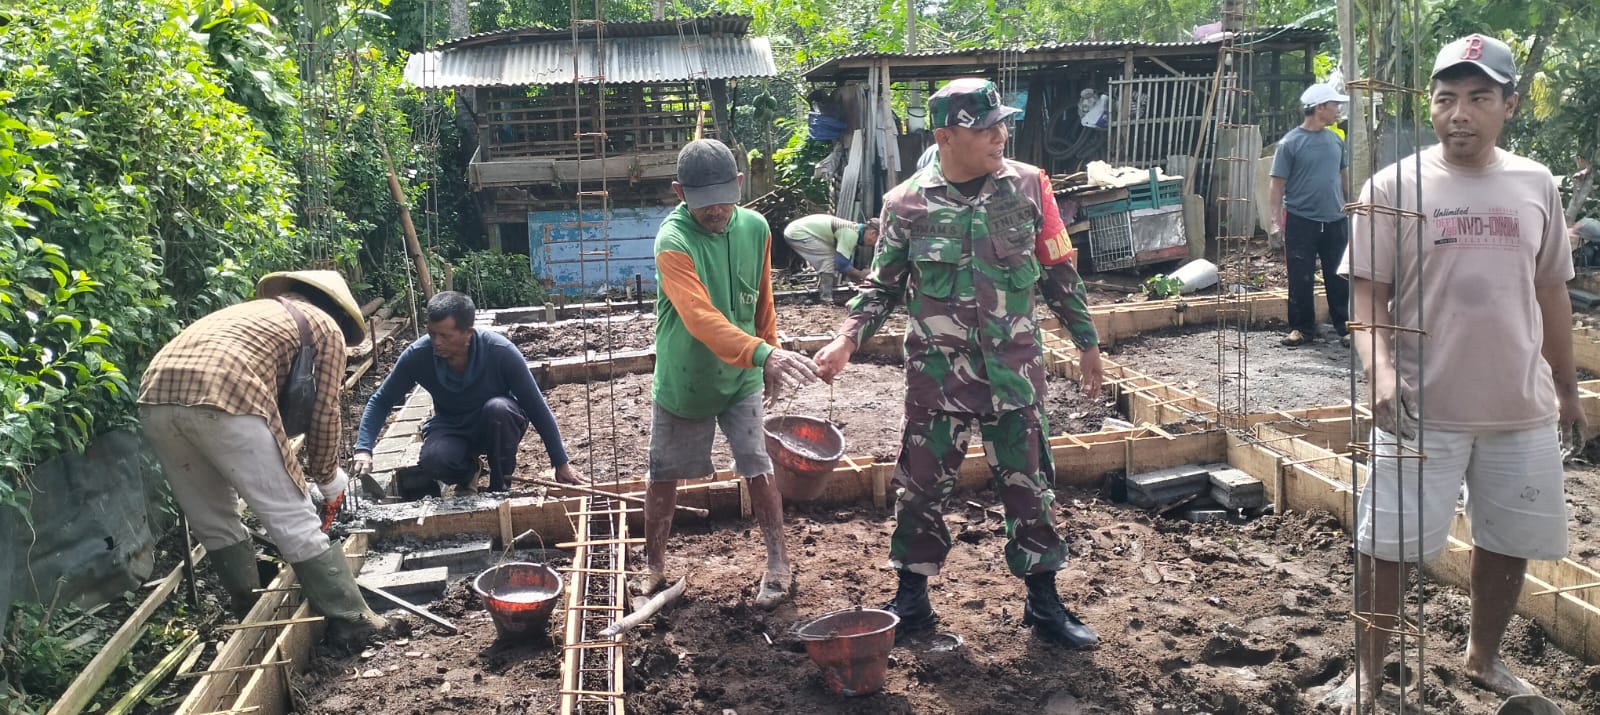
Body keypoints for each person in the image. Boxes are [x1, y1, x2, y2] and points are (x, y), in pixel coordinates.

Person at [1325, 33, 1586, 712]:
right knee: (1386, 543)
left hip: (1517, 408)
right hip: (1419, 406)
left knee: (1509, 538)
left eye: (1477, 98)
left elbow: (1552, 289)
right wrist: (1380, 374)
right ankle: (1368, 670)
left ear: (1509, 104)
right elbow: (1366, 297)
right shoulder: (1393, 186)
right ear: (1432, 105)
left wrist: (1567, 388)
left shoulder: (1536, 183)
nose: (1459, 113)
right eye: (1446, 99)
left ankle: (1484, 655)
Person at [813, 78, 1106, 649]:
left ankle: (1045, 606)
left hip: (1014, 372)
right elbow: (881, 287)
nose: (1000, 135)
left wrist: (1087, 341)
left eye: (1002, 124)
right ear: (945, 137)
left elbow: (1058, 269)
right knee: (920, 489)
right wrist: (847, 339)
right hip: (938, 377)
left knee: (1031, 487)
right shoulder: (905, 205)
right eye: (984, 127)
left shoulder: (1030, 187)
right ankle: (913, 602)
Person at [139, 271, 388, 644]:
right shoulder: (326, 327)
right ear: (336, 311)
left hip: (154, 399)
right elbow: (325, 412)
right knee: (292, 516)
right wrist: (328, 478)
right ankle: (352, 620)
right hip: (226, 395)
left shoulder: (254, 313)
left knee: (214, 521)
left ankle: (251, 611)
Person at [638, 138, 820, 608]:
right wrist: (764, 355)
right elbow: (699, 318)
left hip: (741, 378)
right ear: (679, 193)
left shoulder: (756, 228)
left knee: (759, 468)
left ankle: (778, 561)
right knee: (663, 475)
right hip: (686, 380)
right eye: (702, 203)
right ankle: (652, 565)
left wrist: (770, 355)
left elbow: (762, 302)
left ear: (740, 185)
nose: (716, 211)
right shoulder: (672, 241)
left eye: (724, 198)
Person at [351, 291, 583, 496]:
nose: (436, 342)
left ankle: (500, 488)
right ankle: (469, 471)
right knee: (433, 460)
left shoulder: (500, 352)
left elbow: (536, 406)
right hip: (451, 425)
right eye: (432, 334)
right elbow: (381, 400)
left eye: (445, 336)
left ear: (468, 333)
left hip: (496, 423)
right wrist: (364, 449)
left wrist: (560, 463)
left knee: (499, 409)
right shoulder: (418, 356)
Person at [1269, 83, 1352, 347]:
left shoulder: (1336, 140)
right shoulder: (1290, 143)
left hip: (1335, 219)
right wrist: (1274, 221)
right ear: (1320, 108)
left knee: (1339, 274)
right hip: (1301, 219)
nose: (1338, 109)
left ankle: (1345, 326)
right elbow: (1276, 184)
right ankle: (1302, 328)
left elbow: (1342, 177)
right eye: (1334, 105)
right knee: (1300, 275)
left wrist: (1348, 205)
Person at [780, 214, 881, 301]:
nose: (874, 244)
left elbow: (844, 262)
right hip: (797, 233)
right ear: (873, 233)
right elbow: (841, 264)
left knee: (831, 257)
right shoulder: (851, 233)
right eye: (877, 240)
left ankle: (828, 290)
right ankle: (826, 297)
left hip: (796, 230)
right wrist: (860, 275)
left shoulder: (853, 231)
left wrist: (857, 277)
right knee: (829, 258)